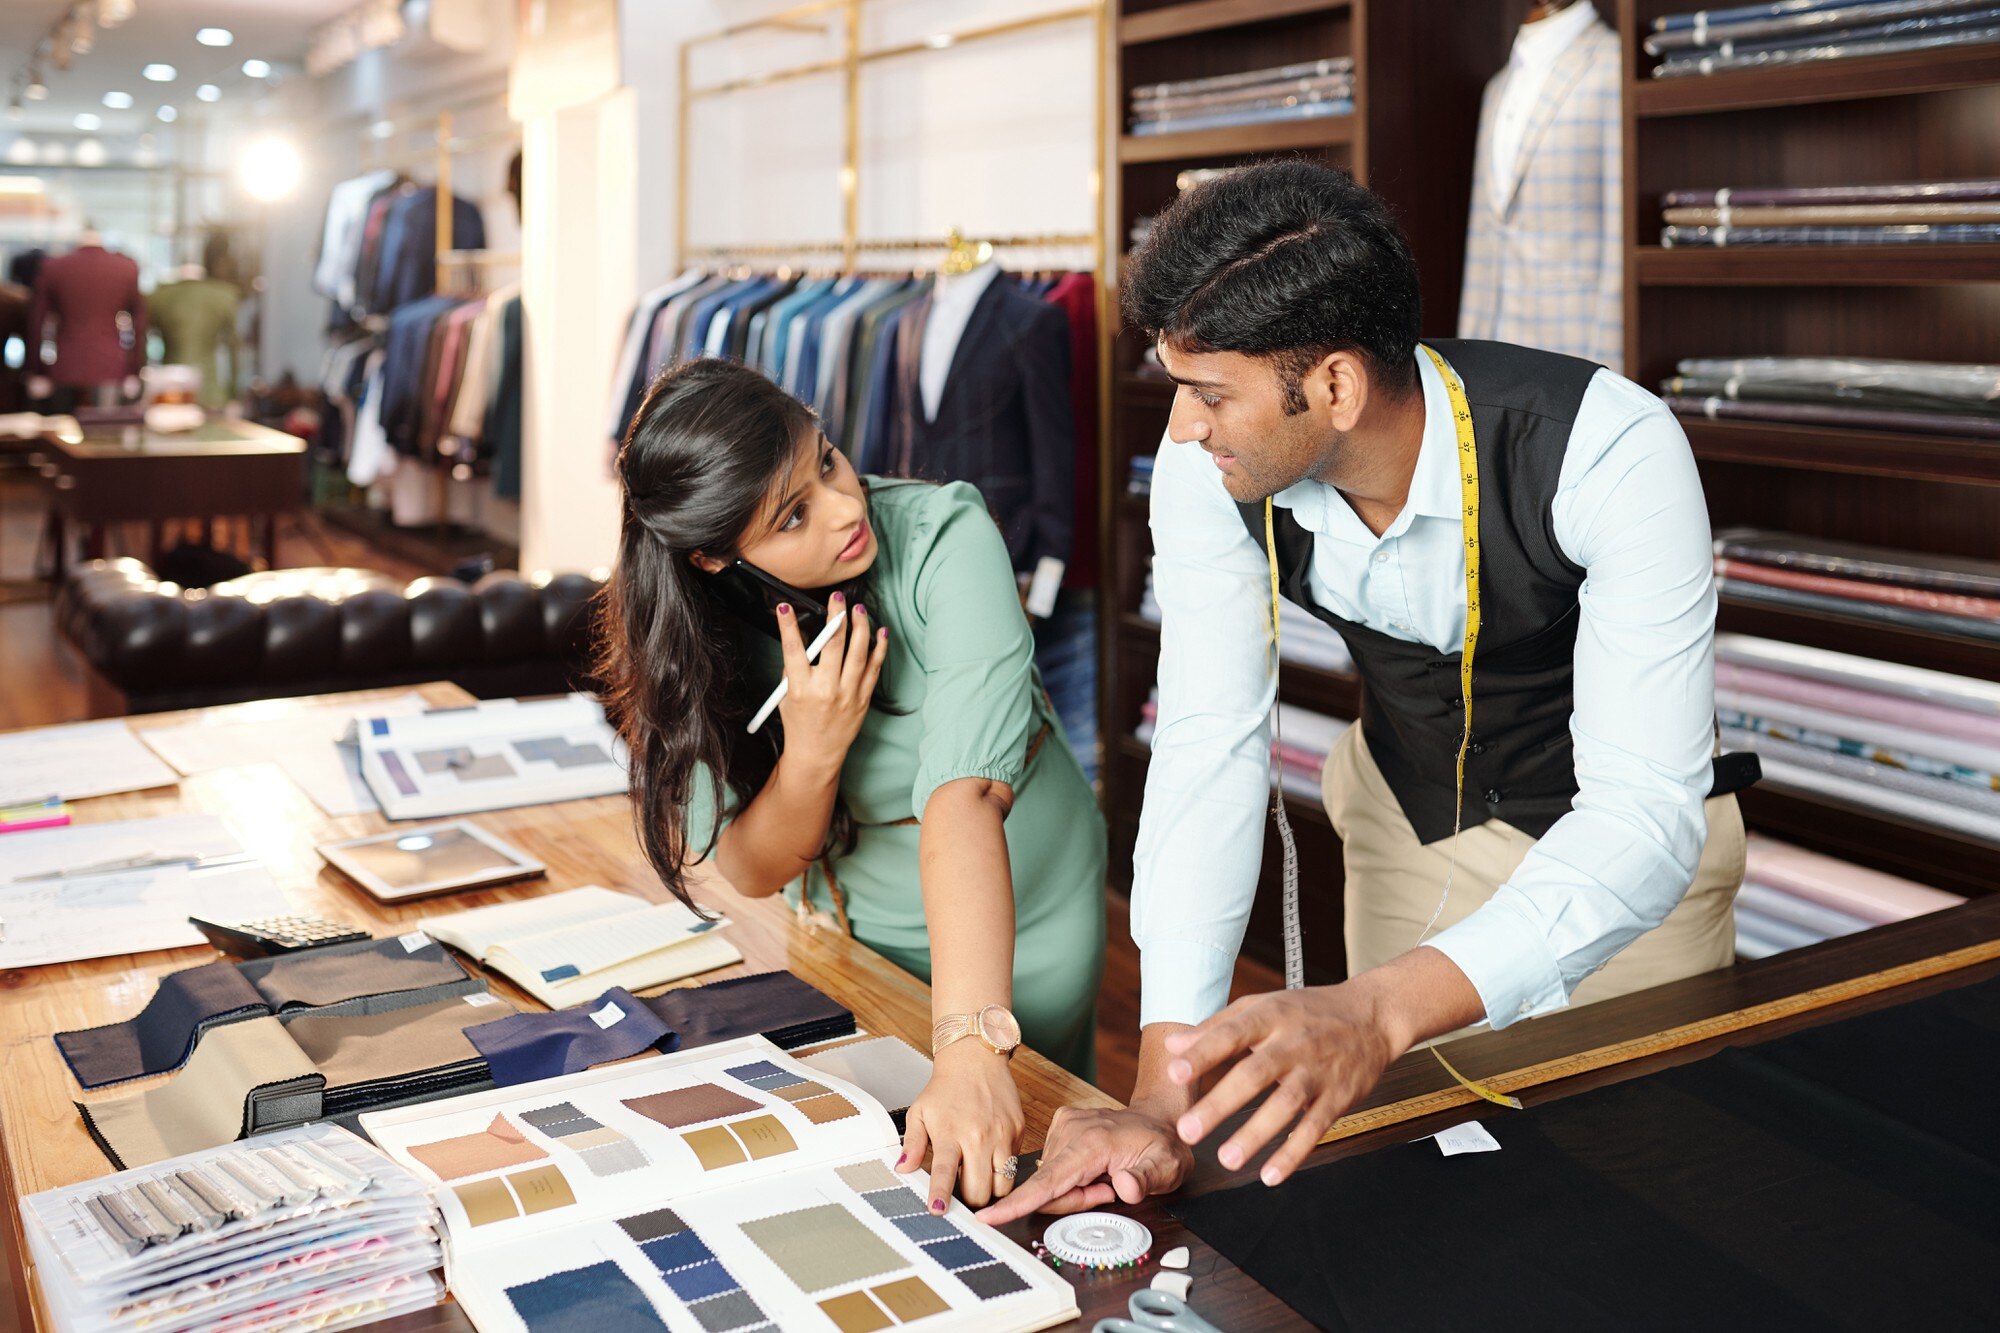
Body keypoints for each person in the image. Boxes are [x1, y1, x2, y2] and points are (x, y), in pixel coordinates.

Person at [983, 161, 1747, 1224]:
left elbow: (1641, 814)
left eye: (1209, 393)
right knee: (1424, 1194)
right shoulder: (1211, 464)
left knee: (1638, 1194)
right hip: (1404, 823)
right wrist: (1162, 1088)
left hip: (1625, 868)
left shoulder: (1605, 449)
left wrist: (1378, 1010)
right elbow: (1207, 743)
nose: (1185, 425)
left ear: (1334, 387)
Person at [598, 358, 1107, 1213]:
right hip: (853, 942)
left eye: (827, 458)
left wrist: (973, 1044)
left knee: (1029, 1163)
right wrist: (812, 754)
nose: (845, 507)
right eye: (794, 514)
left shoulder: (943, 534)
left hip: (1024, 916)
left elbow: (966, 796)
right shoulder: (695, 635)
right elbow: (753, 871)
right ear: (717, 557)